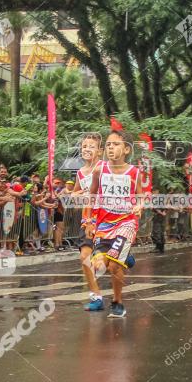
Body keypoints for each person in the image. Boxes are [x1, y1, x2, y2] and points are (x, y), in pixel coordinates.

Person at [83, 130, 144, 318]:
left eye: (115, 144)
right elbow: (91, 196)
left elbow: (140, 195)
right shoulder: (100, 170)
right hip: (103, 224)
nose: (111, 147)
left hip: (126, 223)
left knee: (114, 266)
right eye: (108, 144)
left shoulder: (134, 172)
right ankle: (127, 258)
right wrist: (89, 221)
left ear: (126, 149)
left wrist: (139, 206)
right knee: (99, 264)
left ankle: (117, 302)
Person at [71, 133, 105, 310]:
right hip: (87, 219)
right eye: (84, 146)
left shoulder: (105, 168)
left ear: (99, 151)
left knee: (107, 262)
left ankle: (124, 255)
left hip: (107, 218)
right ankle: (96, 297)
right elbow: (74, 198)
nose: (87, 149)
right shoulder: (80, 172)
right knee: (84, 257)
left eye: (91, 146)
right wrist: (75, 195)